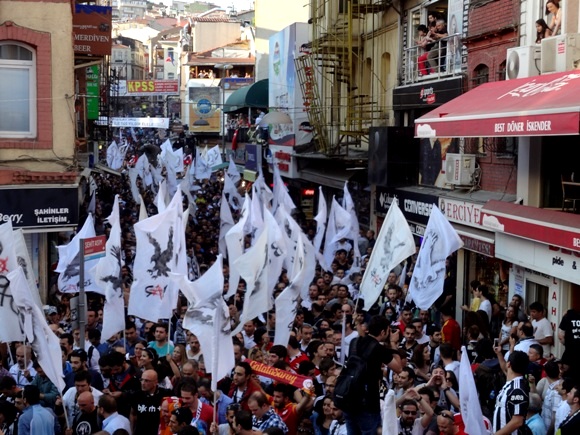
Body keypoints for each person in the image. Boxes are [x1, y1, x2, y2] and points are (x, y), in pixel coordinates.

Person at [342, 315, 402, 435]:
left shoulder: (355, 341)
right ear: (383, 331)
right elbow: (399, 368)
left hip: (348, 399)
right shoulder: (378, 348)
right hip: (367, 402)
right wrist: (393, 343)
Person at [492, 350, 530, 435]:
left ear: (508, 364)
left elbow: (517, 421)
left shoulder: (517, 389)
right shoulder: (511, 384)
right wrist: (499, 353)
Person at [128, 369, 173, 435]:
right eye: (141, 380)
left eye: (146, 381)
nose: (143, 383)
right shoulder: (136, 395)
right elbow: (133, 414)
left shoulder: (165, 395)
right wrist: (132, 431)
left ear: (155, 382)